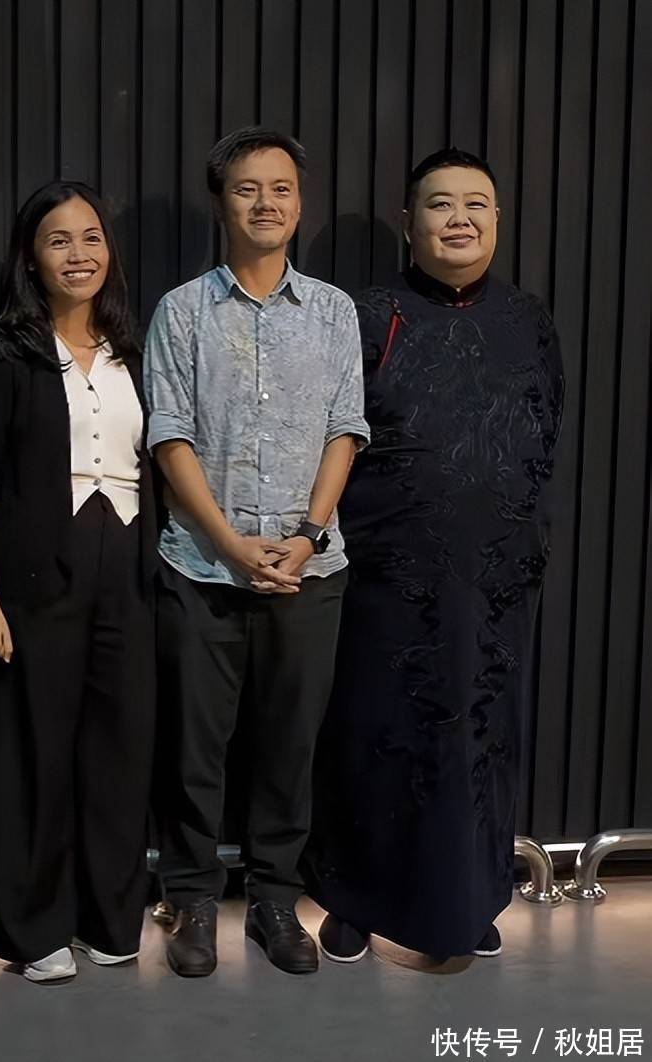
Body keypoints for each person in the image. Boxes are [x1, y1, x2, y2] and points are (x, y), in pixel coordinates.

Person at [302, 148, 565, 963]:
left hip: (496, 583)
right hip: (388, 580)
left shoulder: (528, 320)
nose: (460, 219)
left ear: (498, 219)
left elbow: (546, 432)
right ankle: (352, 900)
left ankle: (471, 897)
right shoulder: (367, 315)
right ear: (409, 222)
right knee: (375, 737)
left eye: (476, 204)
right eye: (440, 204)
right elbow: (330, 436)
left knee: (480, 745)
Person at [144, 127, 370, 977]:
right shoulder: (181, 311)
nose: (266, 202)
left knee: (290, 745)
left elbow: (346, 427)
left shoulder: (335, 311)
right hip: (201, 567)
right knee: (195, 749)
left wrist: (307, 535)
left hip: (311, 571)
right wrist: (231, 544)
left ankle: (276, 898)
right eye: (248, 188)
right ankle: (193, 899)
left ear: (299, 203)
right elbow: (170, 436)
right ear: (221, 203)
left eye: (281, 188)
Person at [0, 181, 157, 984]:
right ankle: (36, 930)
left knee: (120, 752)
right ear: (31, 259)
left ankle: (110, 919)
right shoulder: (3, 351)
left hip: (130, 567)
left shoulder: (133, 348)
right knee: (35, 753)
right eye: (58, 240)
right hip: (37, 568)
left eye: (91, 237)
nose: (79, 254)